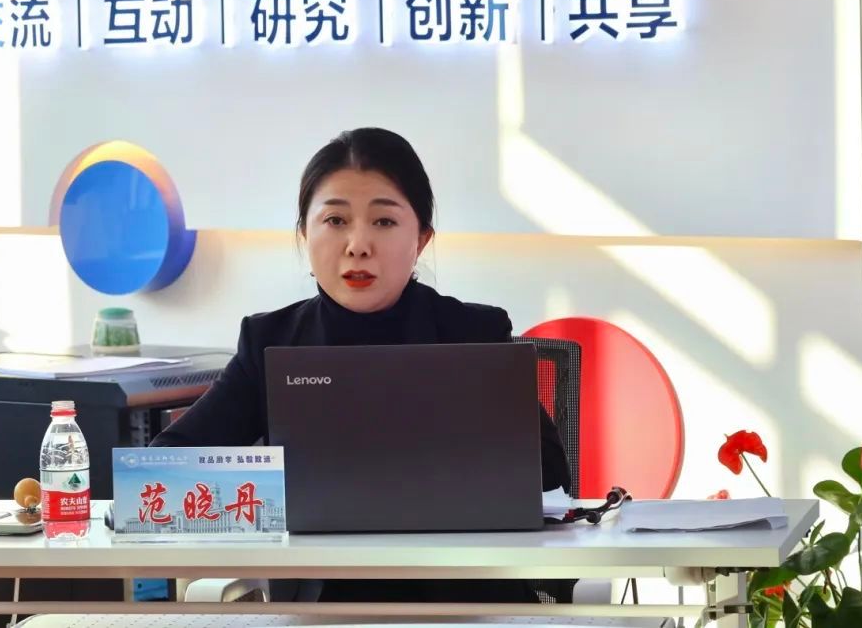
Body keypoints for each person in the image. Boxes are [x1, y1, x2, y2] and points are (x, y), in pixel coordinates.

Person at [152, 127, 572, 603]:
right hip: (323, 607)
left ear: (421, 240)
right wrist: (282, 487)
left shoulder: (473, 332)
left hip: (467, 600)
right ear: (304, 234)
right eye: (335, 220)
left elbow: (550, 474)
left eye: (384, 221)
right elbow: (168, 467)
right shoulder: (270, 342)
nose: (357, 245)